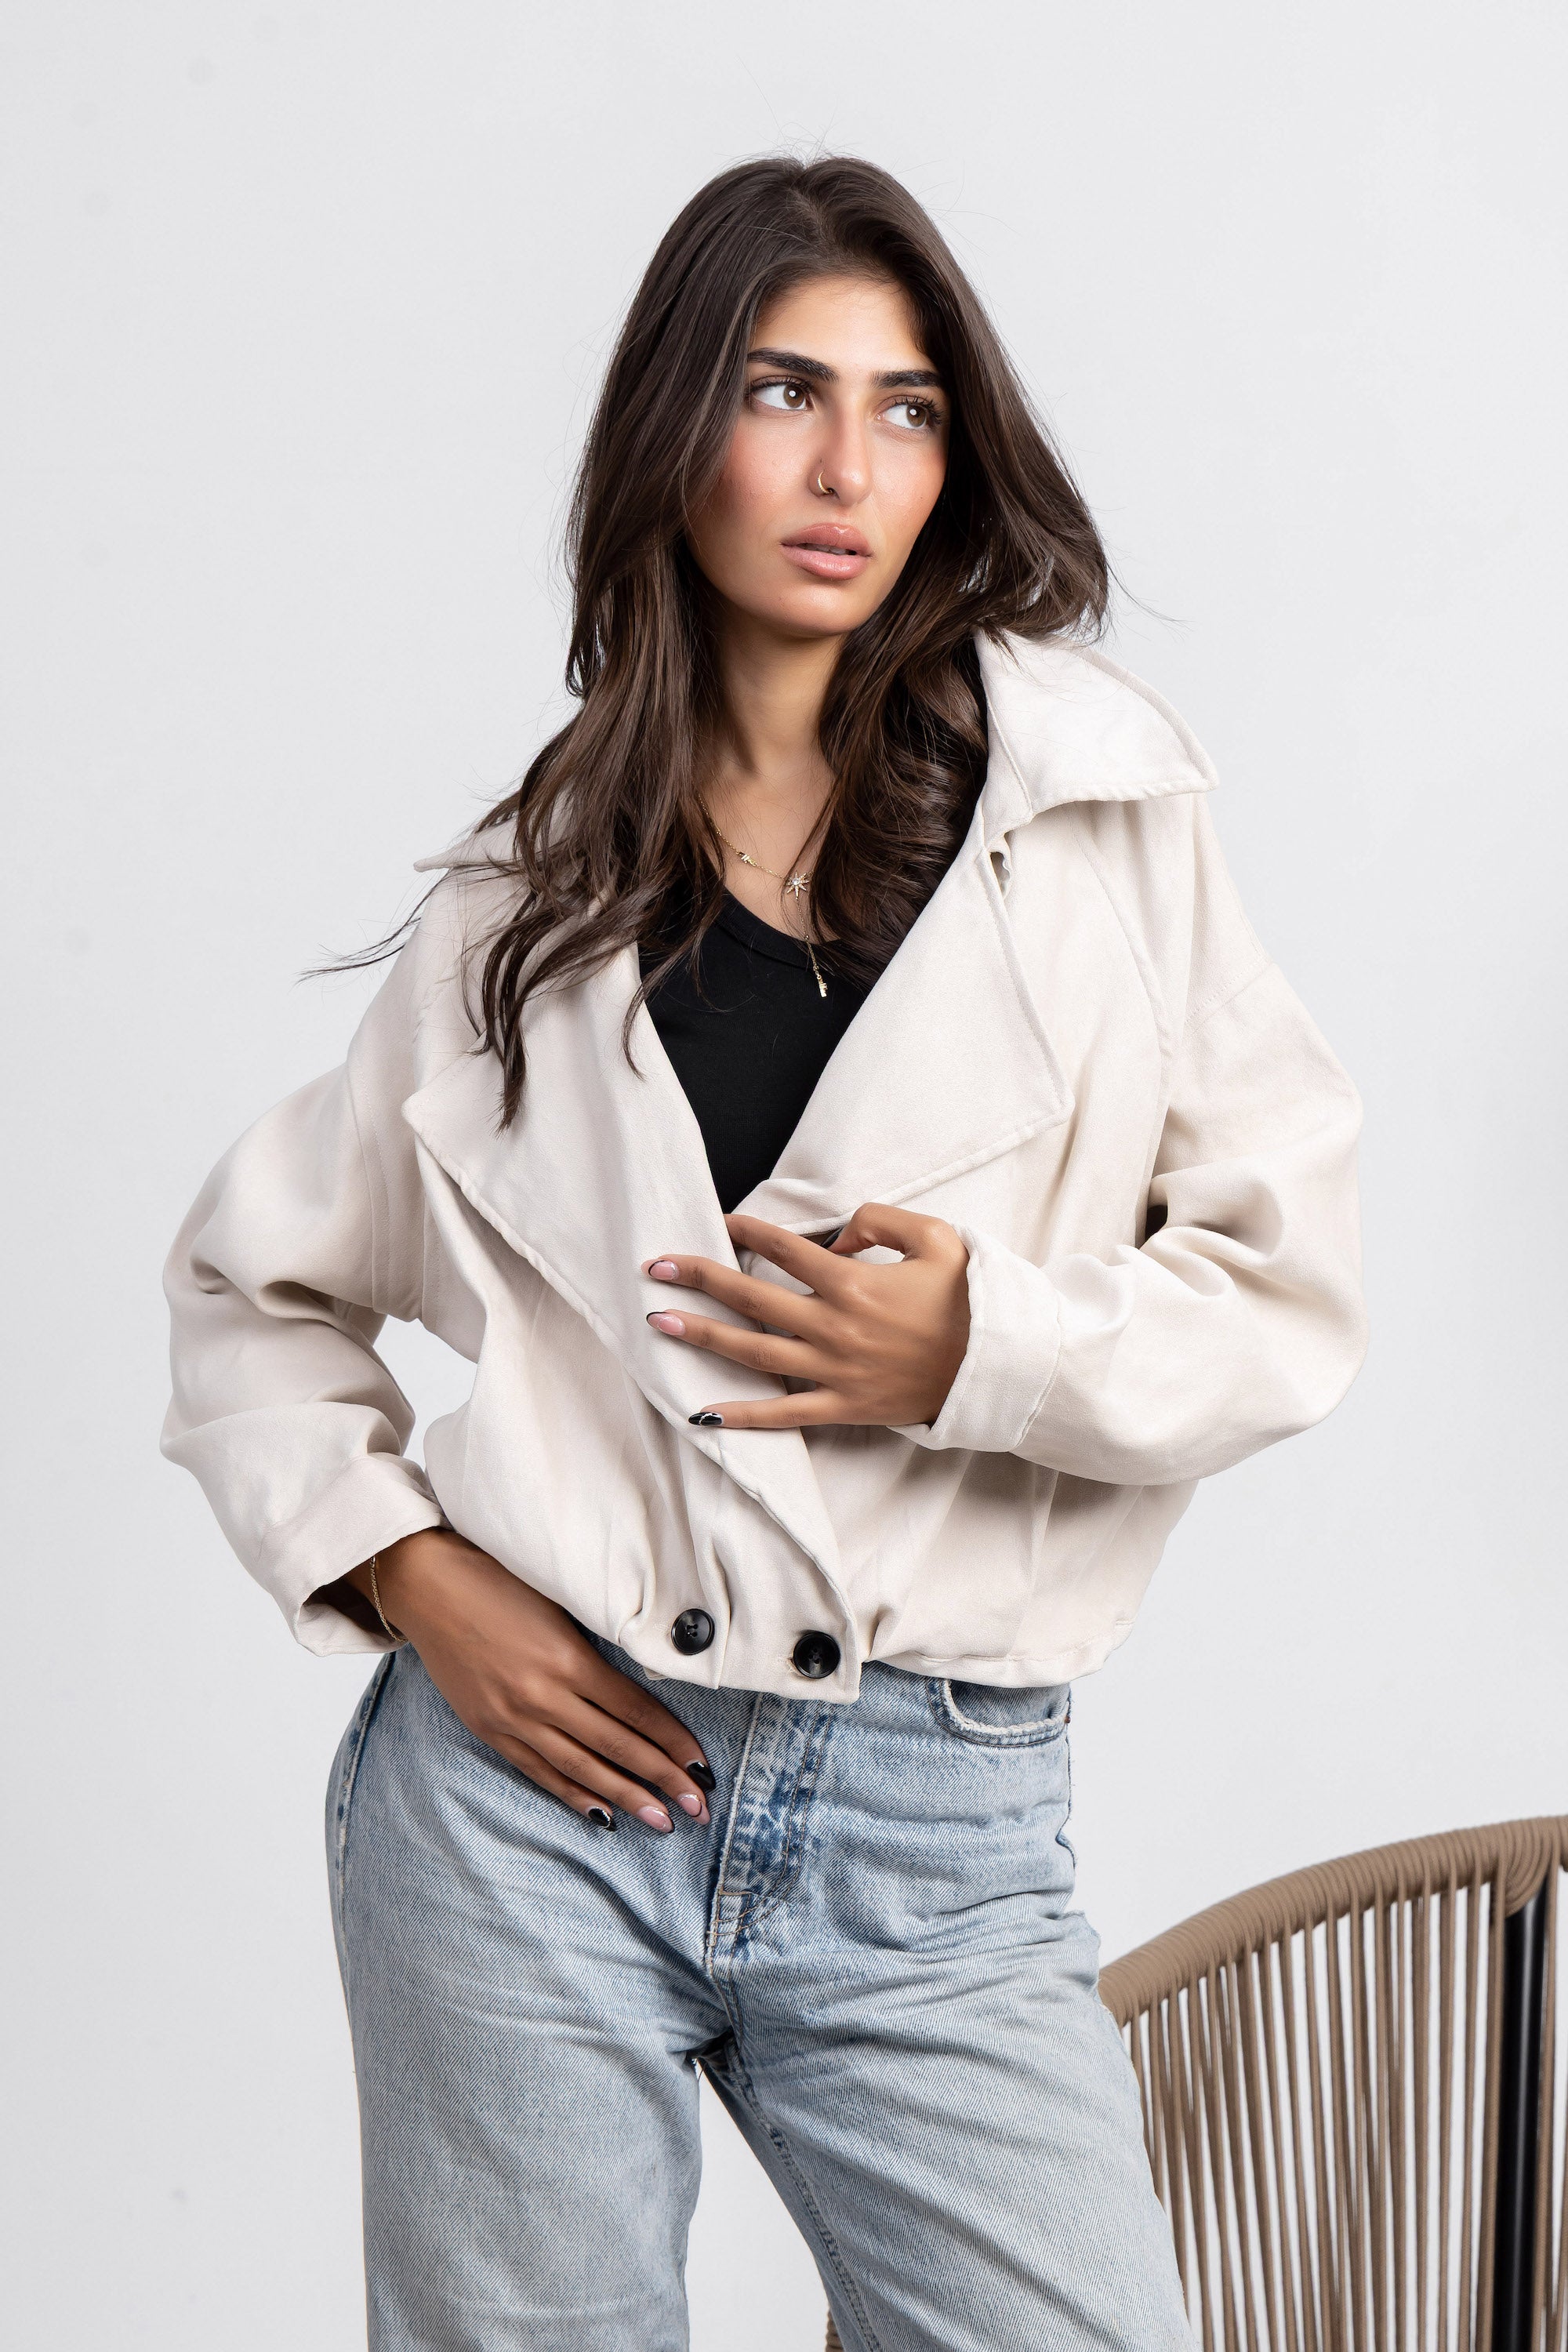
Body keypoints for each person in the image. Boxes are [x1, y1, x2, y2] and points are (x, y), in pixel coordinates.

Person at [162, 154, 1367, 2352]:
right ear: (672, 440)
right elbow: (256, 1294)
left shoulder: (1097, 817)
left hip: (934, 1808)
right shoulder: (514, 904)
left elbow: (1287, 1296)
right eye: (782, 391)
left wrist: (975, 1350)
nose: (847, 468)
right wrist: (416, 1580)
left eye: (908, 409)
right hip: (526, 1803)